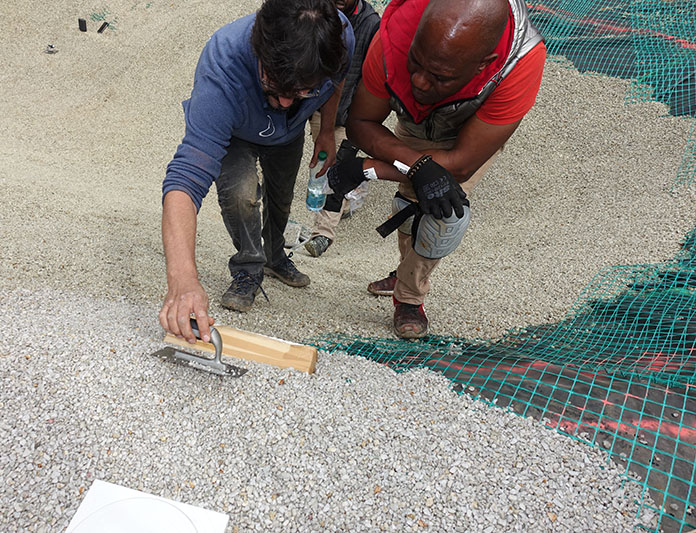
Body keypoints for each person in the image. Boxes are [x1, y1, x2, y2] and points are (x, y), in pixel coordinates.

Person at [325, 0, 546, 338]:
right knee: (411, 203)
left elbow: (460, 165)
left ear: (484, 64)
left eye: (440, 76)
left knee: (443, 212)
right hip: (414, 121)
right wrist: (416, 165)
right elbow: (361, 122)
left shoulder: (520, 63)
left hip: (470, 133)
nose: (421, 82)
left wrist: (368, 168)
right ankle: (406, 270)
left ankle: (409, 297)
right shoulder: (394, 36)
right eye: (416, 62)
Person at [159, 0, 354, 343]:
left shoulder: (338, 38)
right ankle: (248, 269)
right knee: (241, 195)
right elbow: (185, 178)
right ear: (258, 48)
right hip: (234, 133)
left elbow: (335, 80)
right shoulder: (224, 63)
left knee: (282, 198)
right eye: (275, 87)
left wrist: (326, 128)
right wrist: (183, 280)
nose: (285, 102)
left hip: (289, 135)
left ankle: (275, 256)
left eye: (302, 90)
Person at [302, 0, 381, 258]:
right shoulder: (314, 9)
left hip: (347, 111)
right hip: (310, 101)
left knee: (331, 167)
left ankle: (322, 234)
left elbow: (374, 74)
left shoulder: (370, 23)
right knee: (320, 163)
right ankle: (345, 204)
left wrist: (363, 116)